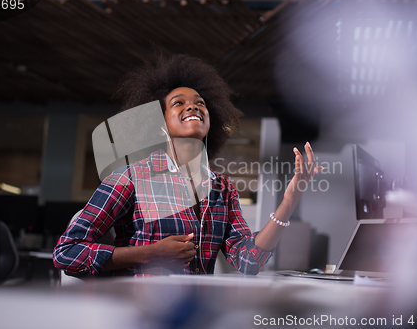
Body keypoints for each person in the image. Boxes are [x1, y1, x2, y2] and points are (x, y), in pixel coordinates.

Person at [53, 54, 321, 277]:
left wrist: (289, 201)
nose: (193, 107)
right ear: (159, 126)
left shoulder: (222, 189)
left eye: (200, 103)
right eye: (178, 103)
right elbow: (66, 252)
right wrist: (150, 252)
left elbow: (248, 261)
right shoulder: (130, 178)